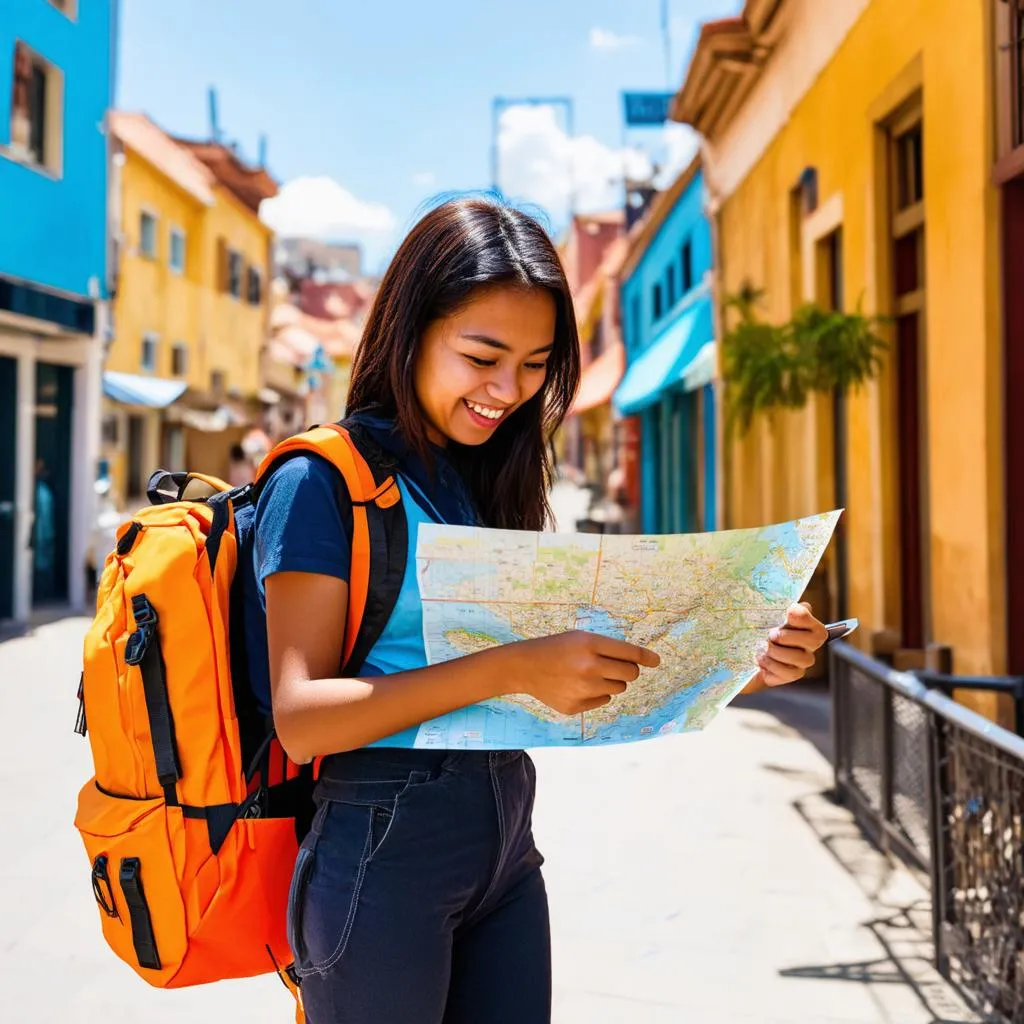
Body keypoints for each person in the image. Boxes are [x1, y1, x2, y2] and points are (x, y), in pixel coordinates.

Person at [254, 198, 828, 1024]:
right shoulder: (320, 482)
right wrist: (515, 665)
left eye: (534, 364)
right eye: (482, 355)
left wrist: (744, 656)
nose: (509, 391)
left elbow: (572, 678)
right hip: (380, 860)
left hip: (506, 850)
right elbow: (301, 719)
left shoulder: (485, 480)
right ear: (410, 330)